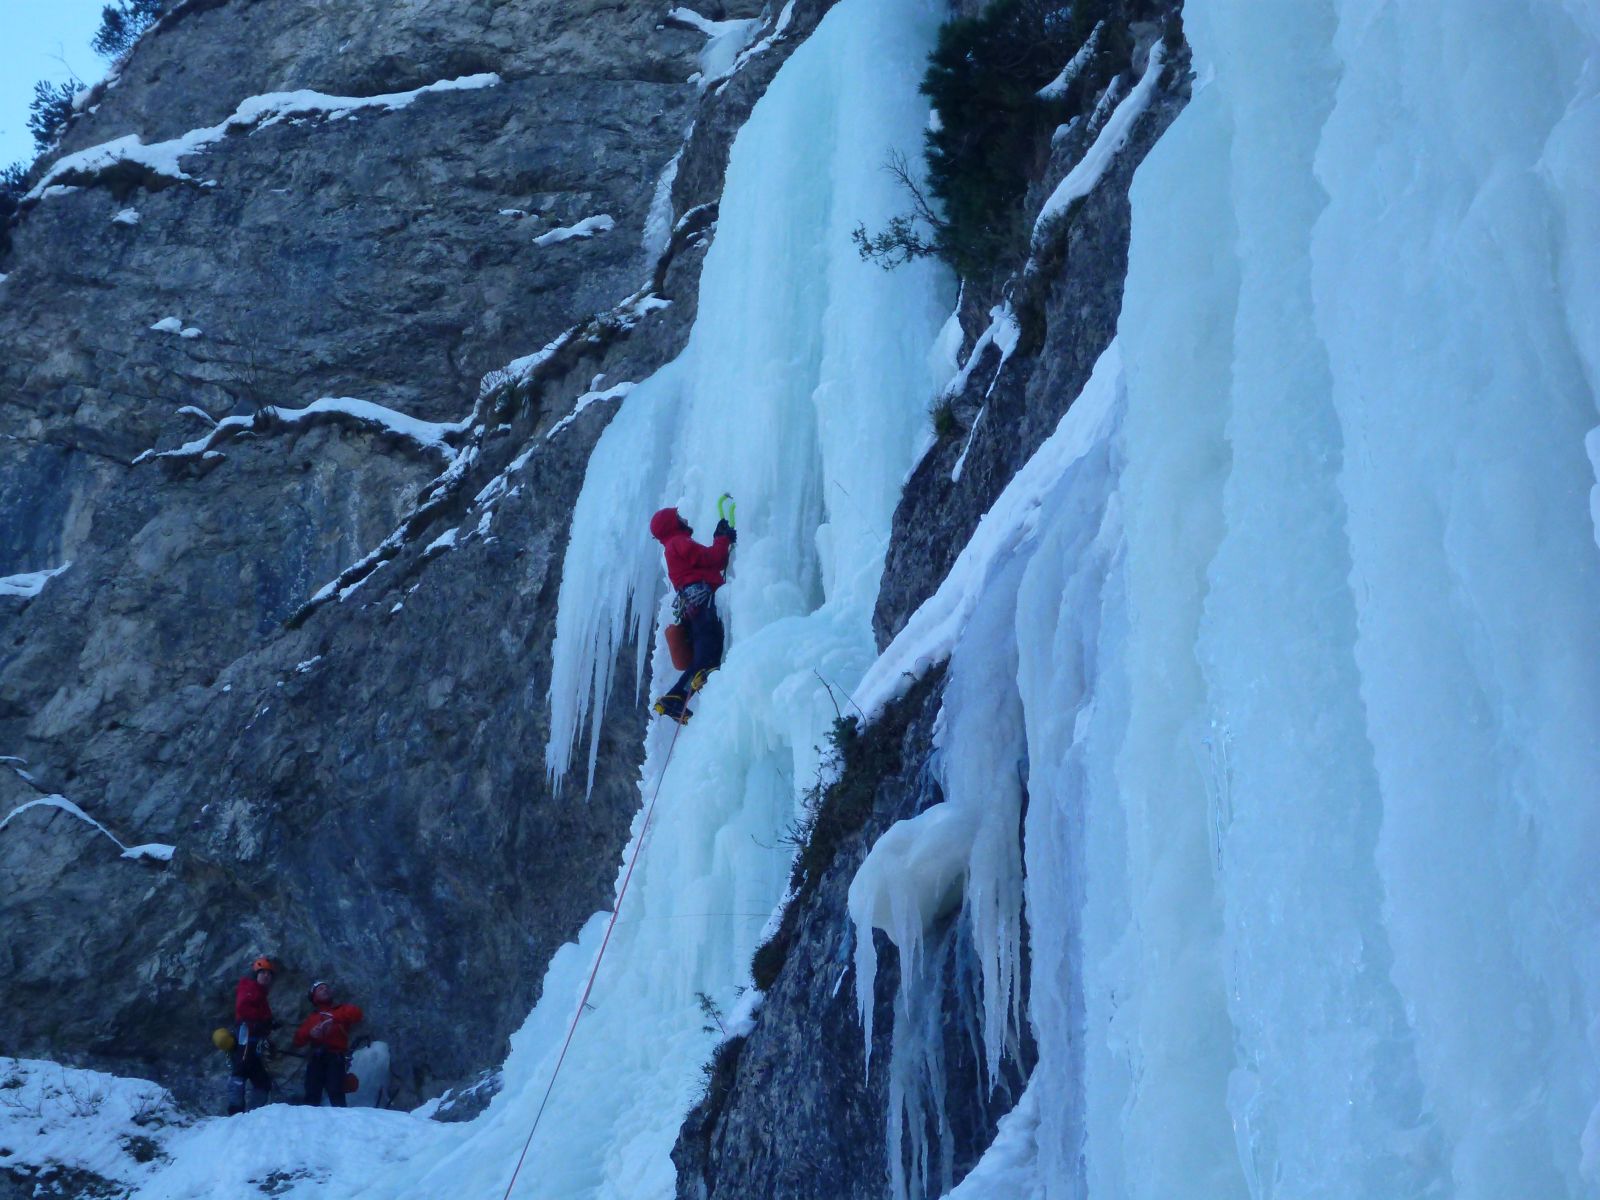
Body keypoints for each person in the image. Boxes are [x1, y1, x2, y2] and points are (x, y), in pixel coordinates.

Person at [648, 506, 735, 723]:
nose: (684, 518)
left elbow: (712, 562)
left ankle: (677, 698)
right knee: (707, 653)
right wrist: (722, 539)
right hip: (701, 601)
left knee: (707, 655)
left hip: (693, 604)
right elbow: (714, 559)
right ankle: (675, 697)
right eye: (679, 517)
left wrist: (721, 540)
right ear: (672, 524)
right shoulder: (679, 542)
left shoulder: (673, 546)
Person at [293, 980, 364, 1107]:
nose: (325, 990)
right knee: (312, 1092)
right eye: (320, 989)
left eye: (326, 988)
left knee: (336, 1091)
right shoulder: (311, 1019)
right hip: (316, 1057)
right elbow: (297, 1040)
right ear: (314, 997)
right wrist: (310, 1034)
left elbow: (357, 1014)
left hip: (335, 1057)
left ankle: (340, 1120)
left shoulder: (341, 1010)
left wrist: (333, 1019)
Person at [228, 956, 276, 1115]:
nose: (266, 976)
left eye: (269, 973)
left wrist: (267, 1024)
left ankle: (248, 1113)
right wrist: (261, 1022)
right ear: (255, 975)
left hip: (252, 1041)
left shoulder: (260, 994)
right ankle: (240, 1112)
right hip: (246, 1039)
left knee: (259, 1080)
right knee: (242, 1073)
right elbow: (243, 1008)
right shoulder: (250, 987)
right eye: (262, 973)